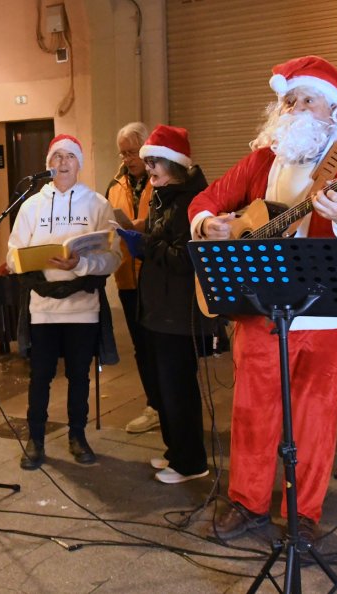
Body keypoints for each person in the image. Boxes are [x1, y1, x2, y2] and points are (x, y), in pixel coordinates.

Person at [189, 56, 337, 543]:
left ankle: (303, 514)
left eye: (307, 98)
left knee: (314, 418)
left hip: (326, 317)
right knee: (252, 411)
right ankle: (247, 501)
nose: (296, 108)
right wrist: (208, 224)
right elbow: (207, 199)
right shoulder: (264, 158)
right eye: (289, 100)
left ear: (334, 109)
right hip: (261, 311)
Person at [7, 134, 121, 470]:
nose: (63, 163)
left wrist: (82, 265)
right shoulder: (31, 206)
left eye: (70, 156)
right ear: (48, 164)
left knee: (79, 377)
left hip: (83, 308)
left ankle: (77, 436)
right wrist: (34, 260)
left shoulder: (97, 204)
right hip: (42, 308)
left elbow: (113, 258)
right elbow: (13, 256)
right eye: (56, 157)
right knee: (39, 376)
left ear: (79, 164)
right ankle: (36, 439)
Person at [117, 125, 219, 484]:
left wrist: (144, 245)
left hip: (179, 313)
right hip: (159, 310)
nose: (148, 170)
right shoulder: (166, 196)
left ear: (172, 163)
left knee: (179, 389)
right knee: (165, 386)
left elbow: (186, 258)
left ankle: (191, 463)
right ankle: (176, 452)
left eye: (153, 163)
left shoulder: (192, 201)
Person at [105, 122, 160, 435]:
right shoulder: (115, 186)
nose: (127, 158)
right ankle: (153, 405)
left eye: (132, 151)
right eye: (123, 153)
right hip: (128, 277)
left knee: (161, 345)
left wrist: (143, 225)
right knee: (141, 345)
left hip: (156, 275)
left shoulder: (161, 178)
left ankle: (170, 404)